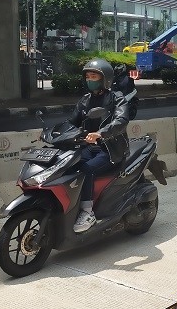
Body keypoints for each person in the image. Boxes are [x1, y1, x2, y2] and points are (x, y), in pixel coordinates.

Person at [69, 58, 129, 233]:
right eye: (87, 76)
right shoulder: (85, 100)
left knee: (86, 170)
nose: (89, 80)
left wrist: (101, 133)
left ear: (105, 79)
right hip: (87, 147)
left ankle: (87, 212)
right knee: (70, 165)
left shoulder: (116, 98)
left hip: (110, 148)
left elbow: (121, 120)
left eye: (93, 76)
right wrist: (54, 132)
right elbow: (72, 122)